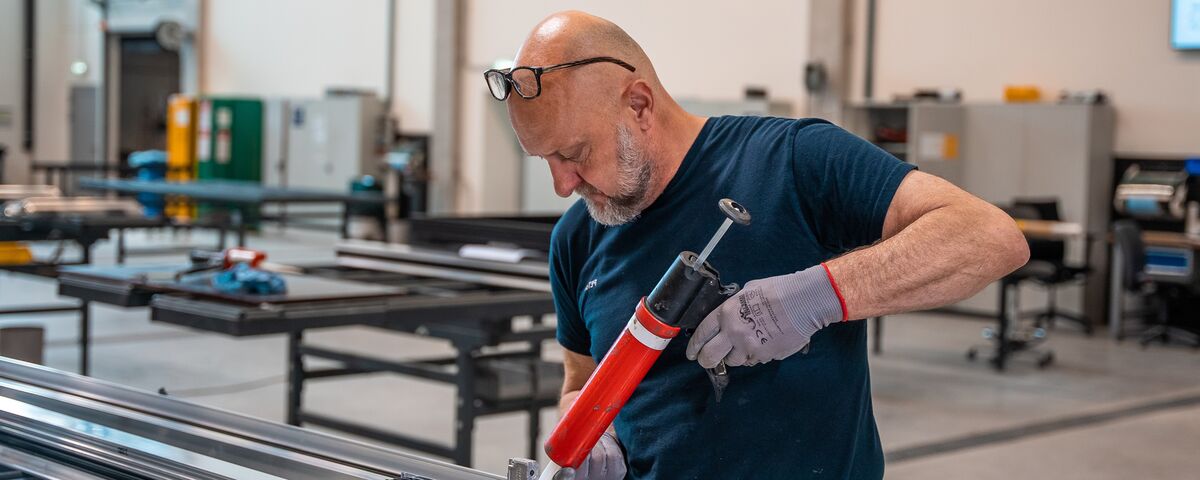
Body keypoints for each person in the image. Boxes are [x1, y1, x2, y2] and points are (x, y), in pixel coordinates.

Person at [486, 11, 1029, 480]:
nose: (562, 185)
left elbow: (988, 236)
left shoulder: (793, 161)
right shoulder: (576, 239)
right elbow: (580, 381)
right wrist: (585, 430)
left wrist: (818, 295)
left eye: (574, 152)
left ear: (640, 105)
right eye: (545, 160)